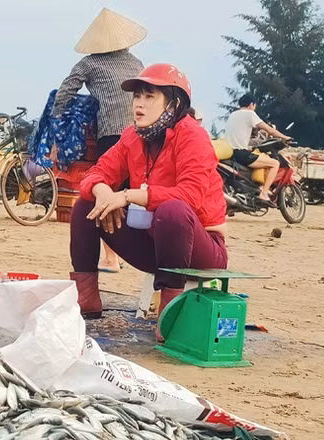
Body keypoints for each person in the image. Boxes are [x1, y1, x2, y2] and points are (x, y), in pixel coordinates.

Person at [69, 64, 228, 341]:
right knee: (86, 205)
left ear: (174, 102)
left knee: (173, 210)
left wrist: (127, 196)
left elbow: (190, 196)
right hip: (153, 244)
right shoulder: (133, 135)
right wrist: (103, 191)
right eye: (137, 97)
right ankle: (87, 299)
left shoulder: (193, 136)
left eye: (149, 96)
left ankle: (170, 312)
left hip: (201, 250)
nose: (139, 104)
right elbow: (95, 174)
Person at [52, 8, 146, 274]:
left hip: (112, 135)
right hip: (141, 134)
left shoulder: (89, 63)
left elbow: (64, 93)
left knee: (105, 193)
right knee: (133, 194)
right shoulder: (136, 62)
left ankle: (111, 258)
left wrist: (61, 120)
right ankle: (136, 251)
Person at [224, 94, 292, 205]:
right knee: (274, 163)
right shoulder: (250, 114)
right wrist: (285, 137)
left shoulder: (233, 114)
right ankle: (264, 193)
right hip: (241, 153)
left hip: (230, 152)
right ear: (252, 104)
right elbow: (270, 130)